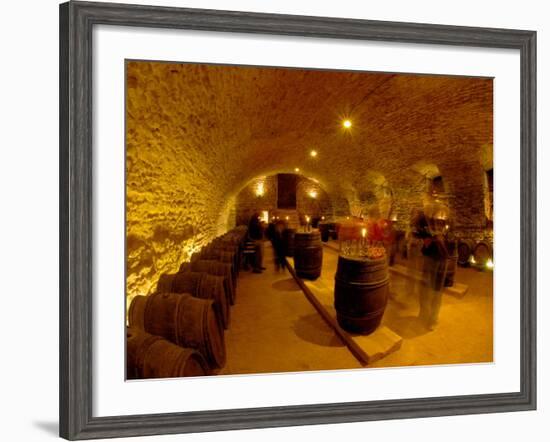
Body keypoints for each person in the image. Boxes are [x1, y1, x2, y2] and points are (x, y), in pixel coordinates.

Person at [418, 215, 449, 330]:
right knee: (425, 289)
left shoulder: (442, 224)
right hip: (430, 259)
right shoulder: (426, 222)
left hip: (440, 260)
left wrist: (438, 238)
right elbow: (425, 244)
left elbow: (447, 242)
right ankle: (424, 315)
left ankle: (433, 319)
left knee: (436, 291)